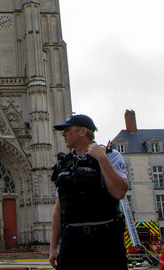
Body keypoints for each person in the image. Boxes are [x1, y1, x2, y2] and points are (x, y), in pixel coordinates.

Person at [48, 114, 129, 270]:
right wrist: (53, 246)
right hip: (71, 239)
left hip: (104, 239)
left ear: (83, 131)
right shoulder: (65, 164)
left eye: (68, 130)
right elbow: (59, 208)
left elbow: (119, 192)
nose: (63, 134)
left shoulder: (110, 156)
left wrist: (101, 158)